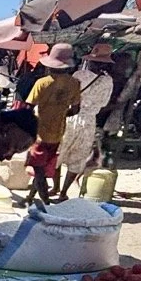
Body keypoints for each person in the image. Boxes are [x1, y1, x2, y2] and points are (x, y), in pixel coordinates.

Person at [22, 44, 82, 204]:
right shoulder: (74, 83)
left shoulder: (42, 83)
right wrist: (61, 113)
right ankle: (30, 197)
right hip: (58, 133)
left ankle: (46, 202)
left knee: (38, 169)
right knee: (41, 168)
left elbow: (28, 107)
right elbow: (76, 109)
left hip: (40, 133)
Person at [56, 44, 116, 200]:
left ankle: (55, 187)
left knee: (58, 152)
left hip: (70, 117)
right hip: (89, 122)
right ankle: (63, 192)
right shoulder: (108, 81)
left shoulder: (79, 75)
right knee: (78, 158)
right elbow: (104, 103)